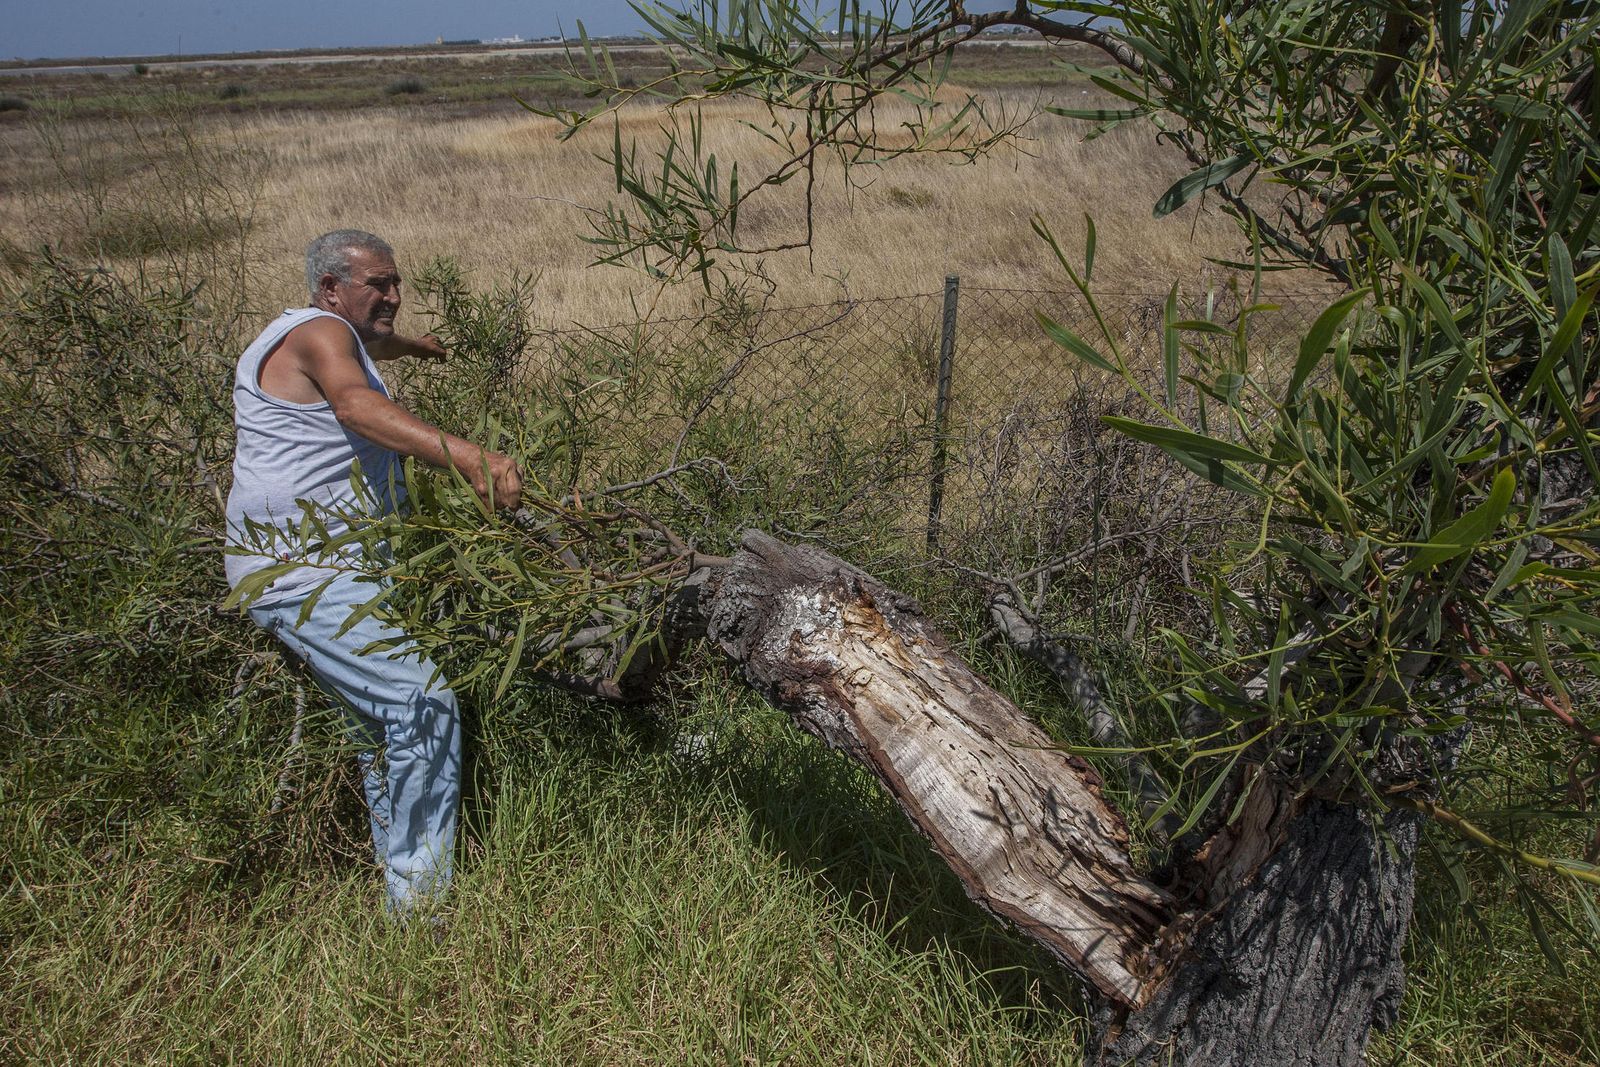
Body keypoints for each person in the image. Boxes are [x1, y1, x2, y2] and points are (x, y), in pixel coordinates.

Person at [224, 229, 522, 915]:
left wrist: (410, 346)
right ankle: (419, 909)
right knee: (422, 705)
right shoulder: (320, 332)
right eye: (377, 284)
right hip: (304, 570)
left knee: (380, 728)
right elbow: (356, 403)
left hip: (323, 569)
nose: (392, 294)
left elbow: (363, 353)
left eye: (396, 283)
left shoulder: (325, 337)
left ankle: (402, 886)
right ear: (331, 288)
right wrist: (475, 459)